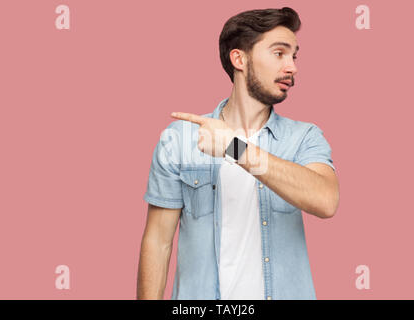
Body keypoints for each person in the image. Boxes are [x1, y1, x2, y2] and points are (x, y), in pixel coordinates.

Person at [137, 7, 339, 300]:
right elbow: (158, 242)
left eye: (294, 56)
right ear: (239, 58)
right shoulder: (179, 140)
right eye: (279, 53)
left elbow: (326, 200)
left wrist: (234, 148)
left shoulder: (304, 137)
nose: (292, 67)